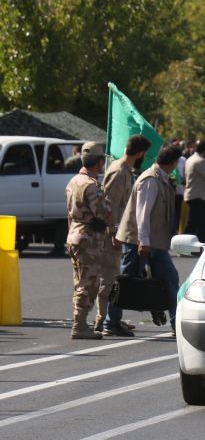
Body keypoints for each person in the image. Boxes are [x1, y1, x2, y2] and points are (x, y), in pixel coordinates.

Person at [114, 145, 182, 335]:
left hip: (155, 242)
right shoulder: (150, 180)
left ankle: (177, 325)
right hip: (139, 242)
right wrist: (143, 241)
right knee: (125, 282)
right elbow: (142, 214)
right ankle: (111, 322)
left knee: (170, 279)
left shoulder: (162, 178)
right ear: (174, 163)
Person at [97, 134, 152, 336]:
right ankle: (106, 321)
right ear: (140, 153)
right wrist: (114, 231)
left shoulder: (125, 170)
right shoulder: (120, 171)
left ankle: (111, 318)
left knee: (114, 277)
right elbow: (109, 205)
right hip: (113, 233)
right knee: (110, 278)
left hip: (119, 231)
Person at [64, 142, 111, 340]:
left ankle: (80, 322)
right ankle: (80, 324)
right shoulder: (91, 185)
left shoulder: (73, 181)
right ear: (99, 162)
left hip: (75, 234)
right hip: (88, 238)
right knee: (88, 283)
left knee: (80, 281)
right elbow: (102, 212)